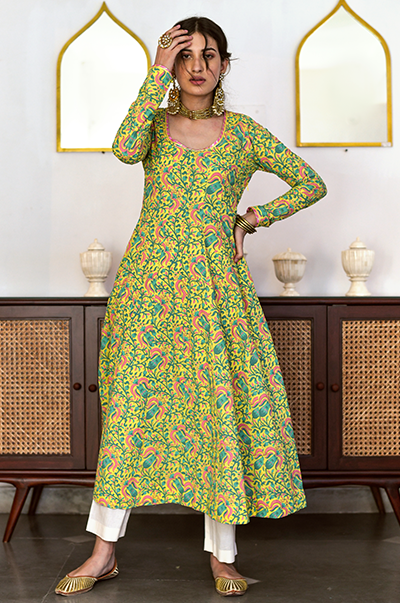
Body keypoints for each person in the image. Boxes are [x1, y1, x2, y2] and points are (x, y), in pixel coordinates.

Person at [55, 16, 327, 598]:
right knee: (131, 411)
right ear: (172, 65)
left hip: (215, 291)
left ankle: (224, 557)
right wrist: (154, 74)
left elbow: (311, 183)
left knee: (217, 410)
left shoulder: (244, 134)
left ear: (225, 65)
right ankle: (103, 552)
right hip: (148, 289)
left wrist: (251, 219)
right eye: (185, 55)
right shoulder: (153, 125)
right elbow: (123, 150)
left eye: (209, 55)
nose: (197, 65)